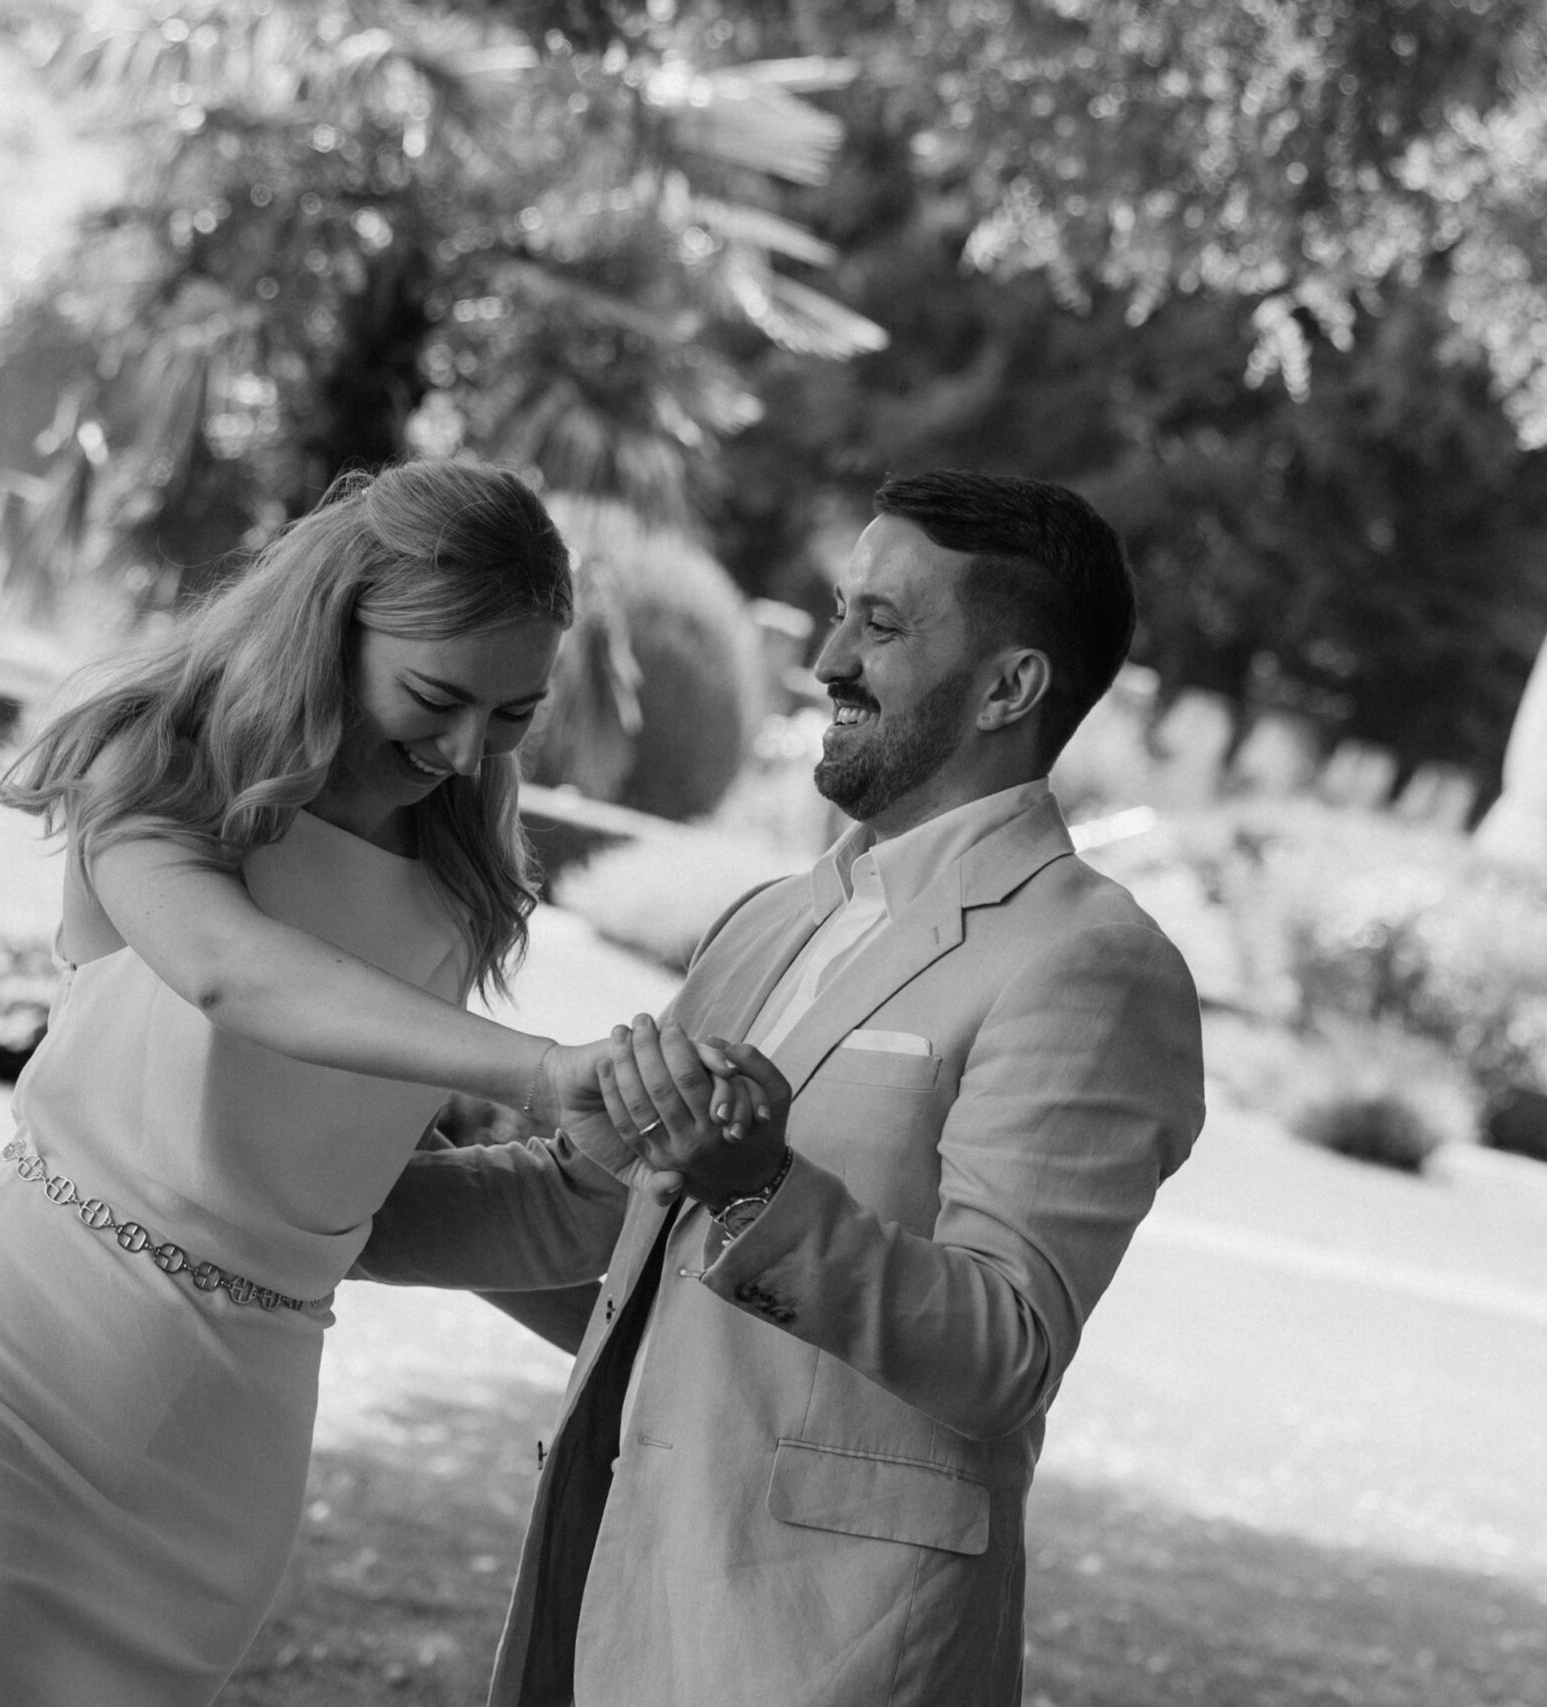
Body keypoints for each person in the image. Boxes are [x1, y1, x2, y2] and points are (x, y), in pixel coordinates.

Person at [0, 459, 738, 1707]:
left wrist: (617, 1174)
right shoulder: (162, 762)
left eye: (513, 714)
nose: (466, 751)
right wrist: (546, 1070)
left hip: (214, 1480)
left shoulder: (458, 877)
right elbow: (231, 973)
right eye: (437, 697)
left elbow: (345, 1204)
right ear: (333, 627)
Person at [356, 469, 1207, 1707]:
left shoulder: (1091, 964)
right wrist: (298, 1196)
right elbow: (593, 1213)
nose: (827, 660)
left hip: (831, 1651)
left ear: (1009, 688)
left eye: (881, 624)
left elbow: (1005, 1352)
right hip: (611, 1597)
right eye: (841, 610)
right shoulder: (769, 919)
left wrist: (759, 1187)